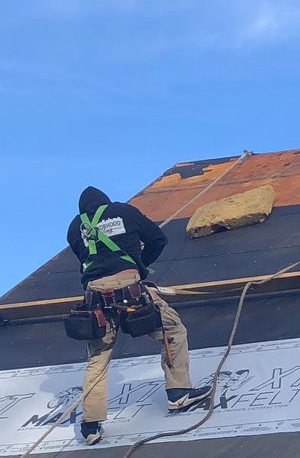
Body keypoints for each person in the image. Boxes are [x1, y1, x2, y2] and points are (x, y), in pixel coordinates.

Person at [67, 185, 211, 444]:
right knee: (172, 329)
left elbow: (87, 261)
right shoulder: (124, 212)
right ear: (106, 202)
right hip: (131, 289)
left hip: (95, 297)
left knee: (98, 358)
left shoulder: (75, 227)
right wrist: (140, 264)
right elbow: (158, 240)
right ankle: (179, 391)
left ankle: (91, 426)